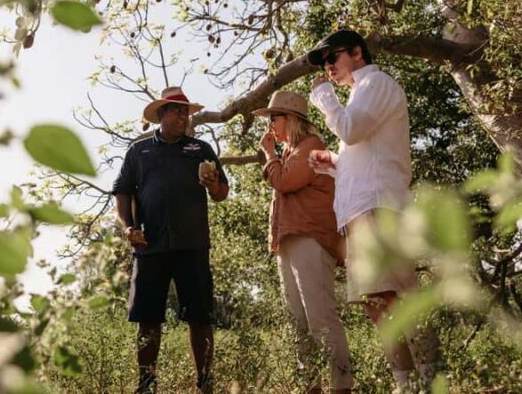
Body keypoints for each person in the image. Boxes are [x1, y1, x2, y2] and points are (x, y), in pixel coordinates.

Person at [306, 29, 440, 390]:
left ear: (356, 53)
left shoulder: (376, 84)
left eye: (332, 57)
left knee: (397, 296)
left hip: (379, 207)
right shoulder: (360, 96)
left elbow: (351, 130)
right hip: (361, 209)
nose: (328, 66)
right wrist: (334, 163)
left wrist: (322, 96)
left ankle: (430, 382)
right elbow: (366, 151)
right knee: (378, 303)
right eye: (323, 63)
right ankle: (405, 383)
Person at [112, 86, 229, 394]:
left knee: (200, 316)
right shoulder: (139, 151)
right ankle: (146, 385)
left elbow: (221, 194)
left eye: (186, 112)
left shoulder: (201, 149)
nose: (183, 117)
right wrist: (128, 228)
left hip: (192, 245)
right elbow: (123, 191)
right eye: (177, 111)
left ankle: (205, 385)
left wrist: (214, 183)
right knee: (148, 318)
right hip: (150, 245)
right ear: (161, 114)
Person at [254, 90, 353, 394]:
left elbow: (284, 181)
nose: (270, 125)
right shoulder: (291, 153)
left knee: (320, 318)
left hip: (310, 239)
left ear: (292, 119)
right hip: (290, 242)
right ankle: (311, 387)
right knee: (299, 322)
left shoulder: (311, 147)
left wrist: (269, 155)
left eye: (274, 118)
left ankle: (341, 386)